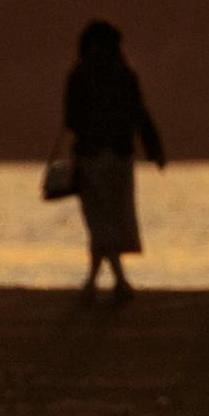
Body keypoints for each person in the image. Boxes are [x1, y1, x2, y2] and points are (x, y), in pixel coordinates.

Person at [62, 18, 163, 297]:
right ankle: (105, 279)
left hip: (90, 154)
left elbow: (70, 120)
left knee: (98, 217)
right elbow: (140, 114)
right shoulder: (125, 74)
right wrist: (154, 148)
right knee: (115, 215)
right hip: (120, 153)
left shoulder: (79, 75)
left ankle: (107, 279)